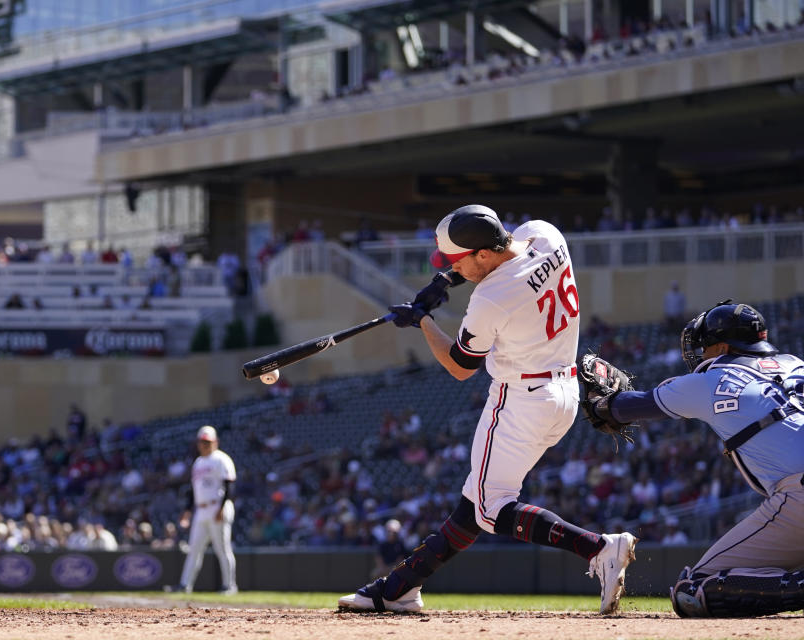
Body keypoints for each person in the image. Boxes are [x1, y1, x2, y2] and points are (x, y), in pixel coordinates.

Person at [338, 204, 637, 614]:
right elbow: (504, 262)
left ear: (481, 254)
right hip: (564, 392)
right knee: (474, 504)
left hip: (520, 401)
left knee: (489, 508)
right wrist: (444, 281)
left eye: (456, 260)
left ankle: (598, 548)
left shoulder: (490, 298)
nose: (452, 267)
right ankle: (398, 588)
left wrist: (423, 319)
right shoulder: (545, 233)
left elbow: (460, 367)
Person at [583, 300, 804, 618]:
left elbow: (623, 408)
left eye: (705, 346)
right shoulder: (795, 363)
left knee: (694, 590)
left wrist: (601, 402)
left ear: (724, 346)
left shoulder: (713, 380)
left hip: (798, 495)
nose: (700, 354)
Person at [172, 425, 238, 595]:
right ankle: (185, 585)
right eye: (202, 442)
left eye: (207, 441)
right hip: (201, 509)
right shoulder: (198, 462)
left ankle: (229, 586)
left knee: (222, 549)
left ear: (215, 442)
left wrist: (222, 507)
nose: (204, 445)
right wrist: (187, 511)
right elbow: (194, 491)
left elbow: (229, 485)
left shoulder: (221, 459)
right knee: (194, 548)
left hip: (218, 506)